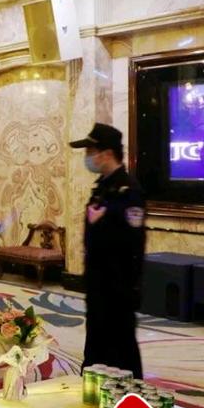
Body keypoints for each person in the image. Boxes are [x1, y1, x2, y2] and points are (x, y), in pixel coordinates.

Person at [70, 122, 145, 378]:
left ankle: (131, 393)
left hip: (118, 285)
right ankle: (91, 383)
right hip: (98, 282)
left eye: (90, 152)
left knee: (121, 347)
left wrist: (130, 287)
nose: (87, 158)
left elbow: (133, 243)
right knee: (97, 341)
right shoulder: (102, 186)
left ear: (107, 153)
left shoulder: (128, 190)